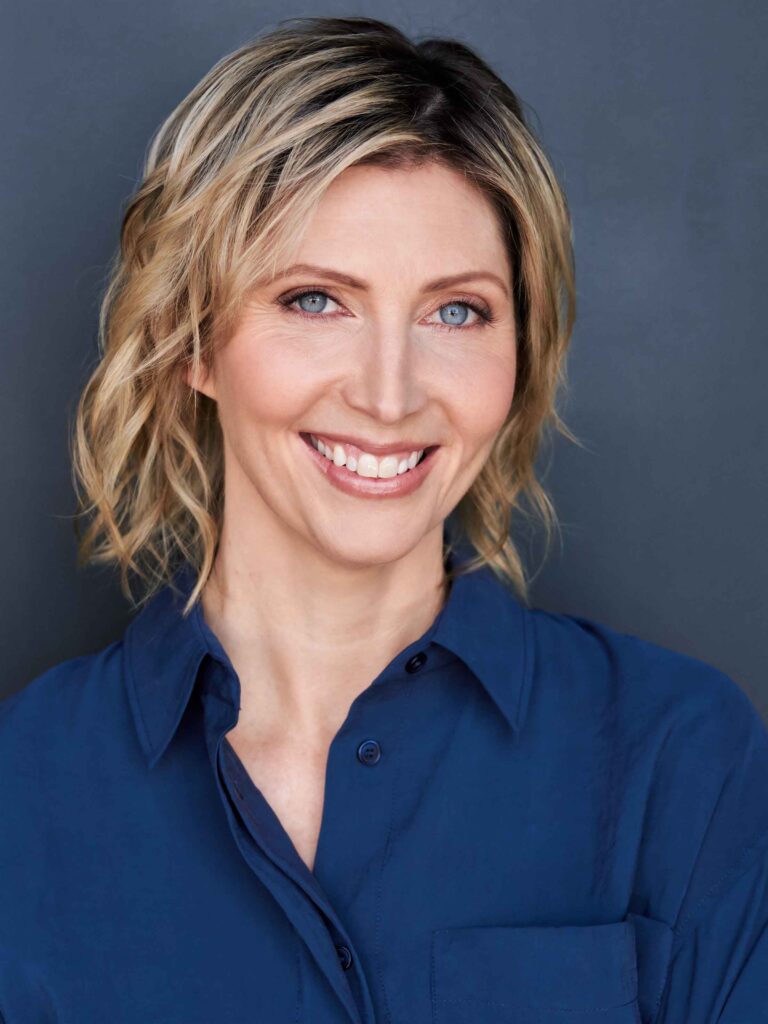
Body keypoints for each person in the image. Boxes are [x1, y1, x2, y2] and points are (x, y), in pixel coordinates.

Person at [1, 14, 766, 1024]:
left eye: (457, 311)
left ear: (521, 355)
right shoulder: (24, 788)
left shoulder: (682, 756)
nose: (391, 393)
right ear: (190, 340)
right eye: (317, 300)